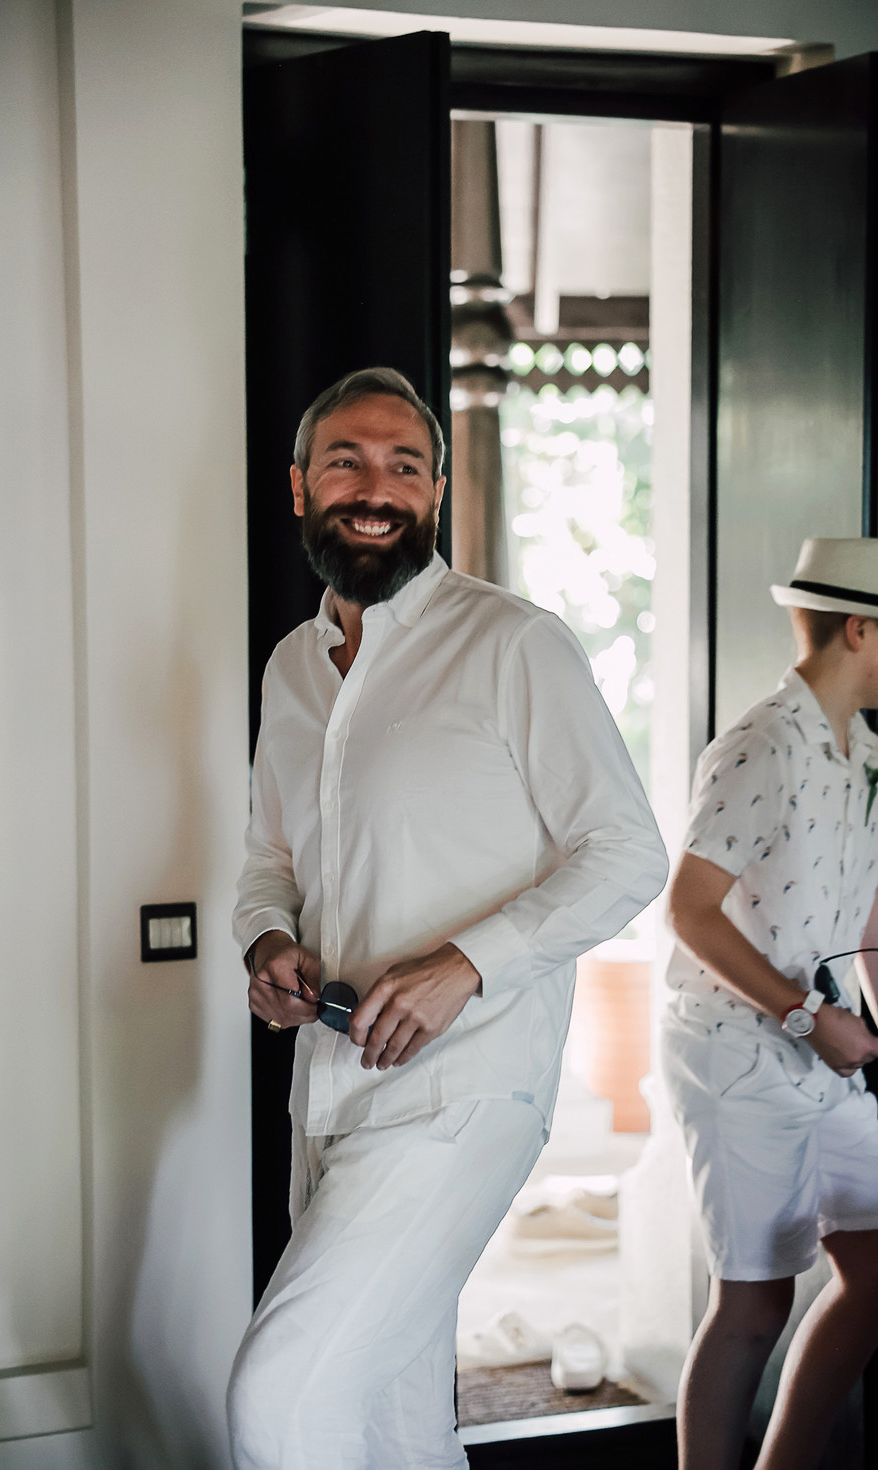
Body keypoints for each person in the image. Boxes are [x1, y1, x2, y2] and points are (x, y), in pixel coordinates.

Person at [227, 366, 667, 1469]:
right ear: (297, 487)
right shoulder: (288, 668)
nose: (377, 487)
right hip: (326, 1092)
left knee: (278, 1400)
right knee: (390, 1418)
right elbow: (267, 857)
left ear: (434, 493)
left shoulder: (513, 644)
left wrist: (462, 966)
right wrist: (266, 941)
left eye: (405, 466)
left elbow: (625, 853)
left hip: (466, 1089)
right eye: (346, 461)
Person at [662, 538, 878, 1470]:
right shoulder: (759, 743)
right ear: (860, 628)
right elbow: (688, 911)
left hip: (828, 1057)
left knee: (877, 1270)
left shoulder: (862, 748)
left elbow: (865, 919)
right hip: (738, 1057)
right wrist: (806, 1017)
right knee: (753, 1304)